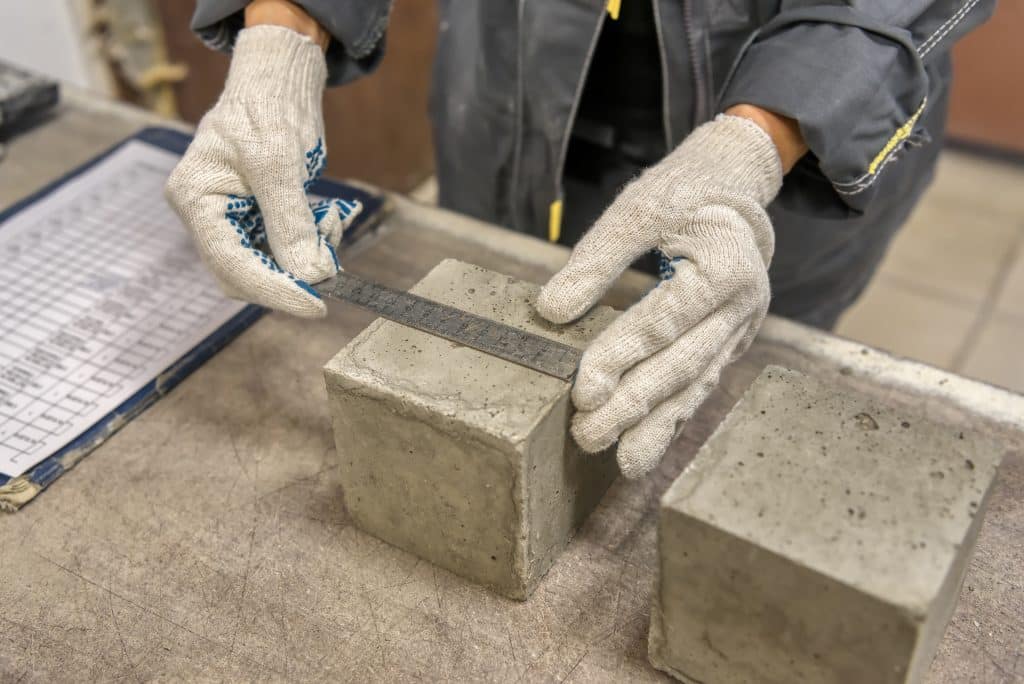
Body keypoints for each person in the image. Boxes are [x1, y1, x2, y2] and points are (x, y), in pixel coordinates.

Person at [166, 0, 993, 478]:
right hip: (507, 99)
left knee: (712, 415)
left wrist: (765, 136)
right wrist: (281, 30)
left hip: (793, 145)